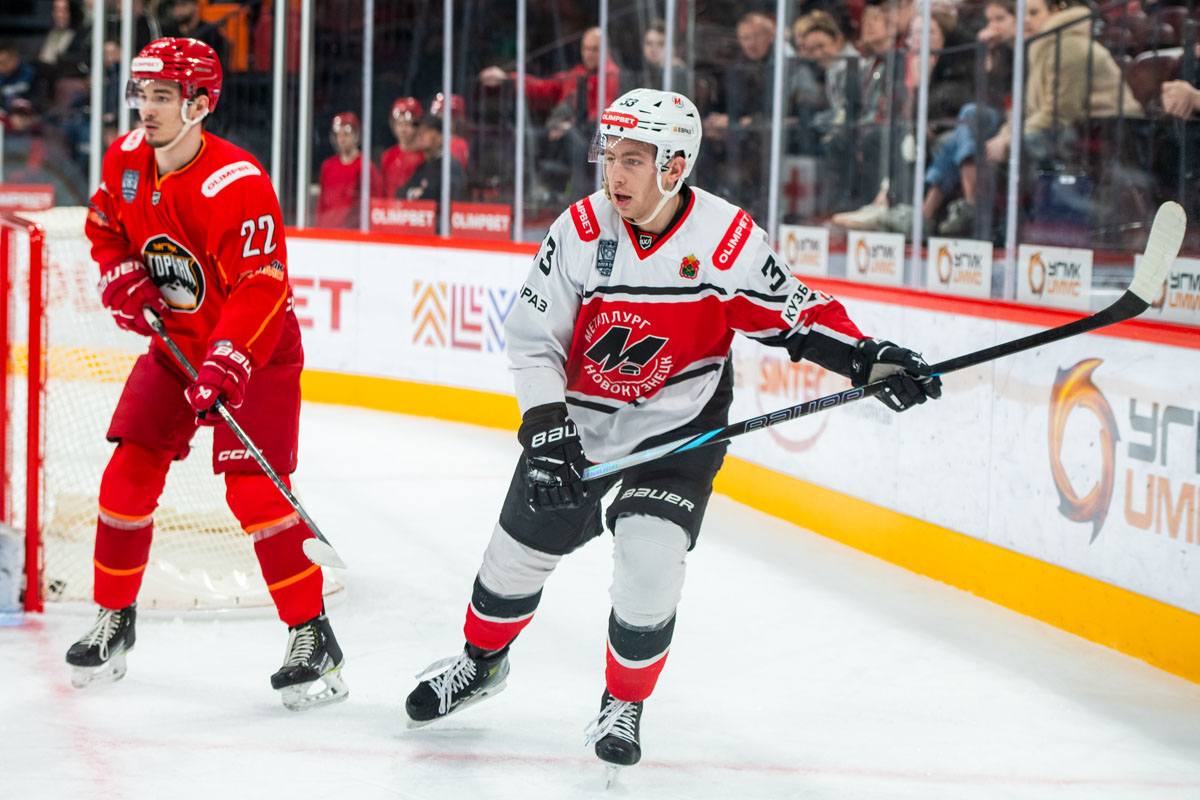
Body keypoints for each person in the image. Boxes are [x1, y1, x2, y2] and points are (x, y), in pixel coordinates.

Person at [403, 88, 941, 775]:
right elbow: (534, 340)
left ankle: (624, 702)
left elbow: (795, 316)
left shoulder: (726, 239)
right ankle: (481, 665)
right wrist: (544, 428)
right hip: (581, 425)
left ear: (675, 165)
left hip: (680, 427)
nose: (614, 174)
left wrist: (869, 358)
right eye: (610, 156)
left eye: (633, 160)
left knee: (650, 562)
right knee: (514, 558)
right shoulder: (580, 229)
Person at [66, 37, 348, 711]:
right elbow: (104, 224)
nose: (147, 108)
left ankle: (311, 635)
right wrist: (122, 274)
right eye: (142, 93)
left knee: (255, 495)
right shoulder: (126, 159)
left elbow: (262, 286)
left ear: (198, 103)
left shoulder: (237, 183)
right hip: (177, 347)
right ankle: (114, 618)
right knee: (127, 473)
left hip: (256, 352)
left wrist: (228, 359)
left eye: (163, 96)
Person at [315, 111, 384, 229]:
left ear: (356, 135)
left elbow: (374, 204)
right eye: (338, 134)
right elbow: (322, 203)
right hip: (327, 231)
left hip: (352, 233)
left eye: (346, 134)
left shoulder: (366, 167)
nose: (342, 138)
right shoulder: (328, 166)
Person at [399, 105, 468, 209]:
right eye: (419, 131)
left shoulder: (450, 165)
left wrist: (422, 194)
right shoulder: (422, 167)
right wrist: (412, 193)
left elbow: (445, 199)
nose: (420, 135)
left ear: (441, 137)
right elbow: (400, 193)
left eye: (426, 131)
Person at [381, 96, 424, 199]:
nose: (403, 129)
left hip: (414, 208)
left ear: (417, 126)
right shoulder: (388, 156)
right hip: (389, 208)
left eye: (407, 124)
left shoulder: (424, 157)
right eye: (399, 124)